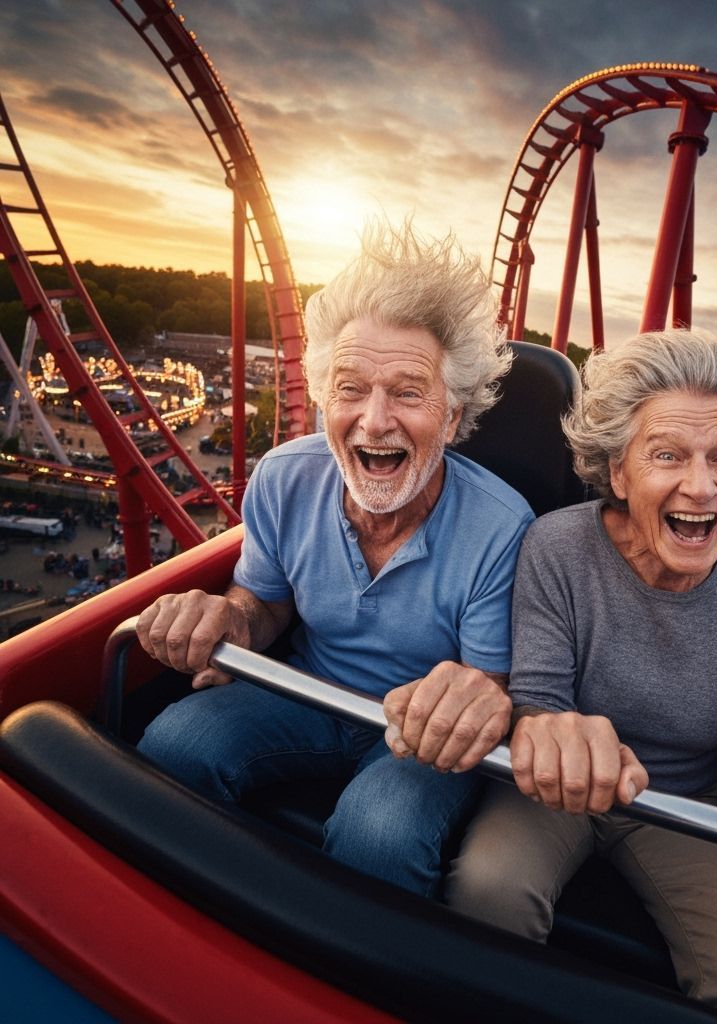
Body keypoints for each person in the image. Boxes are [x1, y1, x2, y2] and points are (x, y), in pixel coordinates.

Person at [445, 330, 717, 1023]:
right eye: (668, 456)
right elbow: (537, 699)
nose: (701, 486)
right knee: (487, 890)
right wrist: (551, 730)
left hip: (687, 802)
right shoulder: (556, 547)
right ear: (619, 473)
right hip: (558, 785)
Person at [135, 220, 534, 898]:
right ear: (323, 397)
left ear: (452, 412)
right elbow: (260, 605)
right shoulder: (285, 477)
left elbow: (482, 686)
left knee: (380, 831)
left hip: (418, 734)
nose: (373, 421)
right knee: (174, 745)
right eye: (350, 389)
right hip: (304, 692)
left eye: (408, 392)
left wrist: (482, 696)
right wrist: (225, 623)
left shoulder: (502, 527)